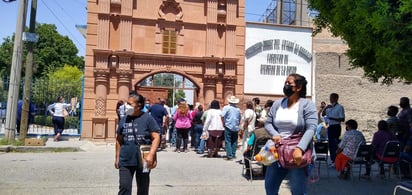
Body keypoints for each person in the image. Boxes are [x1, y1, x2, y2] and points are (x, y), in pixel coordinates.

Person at [264, 73, 317, 195]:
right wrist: (274, 134)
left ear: (298, 88)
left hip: (296, 154)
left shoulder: (307, 105)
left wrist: (300, 148)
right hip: (276, 151)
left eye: (289, 84)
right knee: (270, 188)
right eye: (285, 83)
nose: (286, 86)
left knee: (298, 191)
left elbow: (311, 128)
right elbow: (268, 123)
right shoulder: (278, 104)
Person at [115, 93, 160, 195]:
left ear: (139, 106)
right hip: (125, 160)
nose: (126, 106)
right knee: (124, 188)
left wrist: (151, 155)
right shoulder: (124, 119)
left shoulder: (148, 118)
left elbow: (156, 137)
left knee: (143, 189)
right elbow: (119, 139)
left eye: (129, 104)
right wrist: (117, 158)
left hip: (143, 160)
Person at [322, 93, 345, 167]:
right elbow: (323, 114)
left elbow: (342, 119)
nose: (330, 99)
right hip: (330, 126)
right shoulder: (329, 107)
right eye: (330, 98)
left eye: (332, 98)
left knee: (335, 143)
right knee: (330, 144)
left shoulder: (340, 107)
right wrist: (325, 108)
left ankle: (336, 160)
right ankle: (332, 160)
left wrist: (332, 118)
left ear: (336, 99)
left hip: (336, 126)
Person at [221, 96, 242, 160]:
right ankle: (233, 154)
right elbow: (239, 118)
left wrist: (223, 123)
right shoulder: (238, 109)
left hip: (228, 125)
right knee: (234, 141)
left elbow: (222, 115)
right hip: (235, 126)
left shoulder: (226, 107)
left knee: (228, 141)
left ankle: (229, 155)